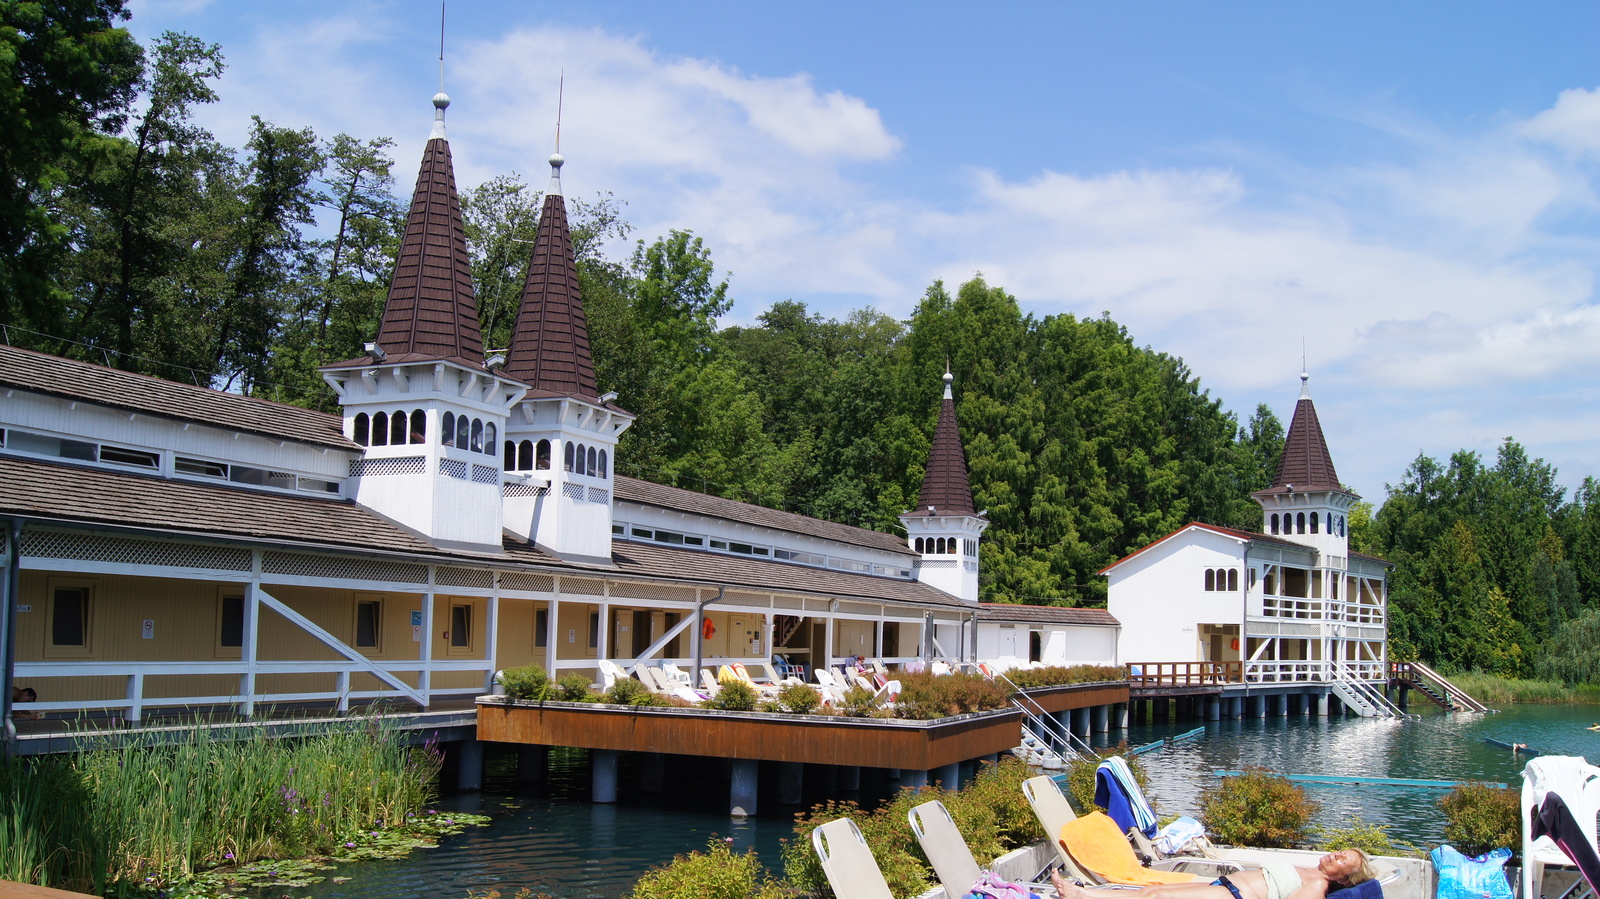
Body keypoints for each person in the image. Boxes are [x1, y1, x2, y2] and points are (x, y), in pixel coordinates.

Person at [1052, 849, 1375, 899]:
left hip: (1233, 896)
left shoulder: (1317, 883)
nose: (1336, 854)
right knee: (1152, 891)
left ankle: (1082, 895)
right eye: (1340, 850)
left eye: (1343, 859)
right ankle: (1089, 894)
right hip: (1221, 885)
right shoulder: (1308, 867)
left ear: (1344, 878)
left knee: (1159, 896)